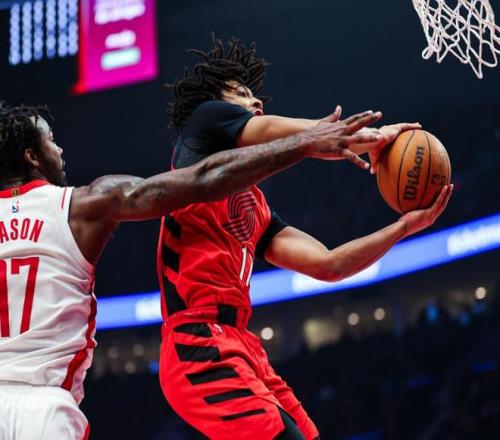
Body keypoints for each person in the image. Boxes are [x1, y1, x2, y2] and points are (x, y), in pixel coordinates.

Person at [0, 102, 383, 440]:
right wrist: (304, 143)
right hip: (43, 409)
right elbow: (202, 181)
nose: (60, 149)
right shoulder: (82, 205)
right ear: (33, 157)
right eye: (51, 141)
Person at [157, 34, 453, 439]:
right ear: (216, 100)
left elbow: (329, 265)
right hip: (196, 342)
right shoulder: (203, 125)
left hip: (241, 344)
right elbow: (299, 137)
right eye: (241, 93)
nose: (255, 101)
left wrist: (404, 228)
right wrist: (372, 137)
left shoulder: (255, 209)